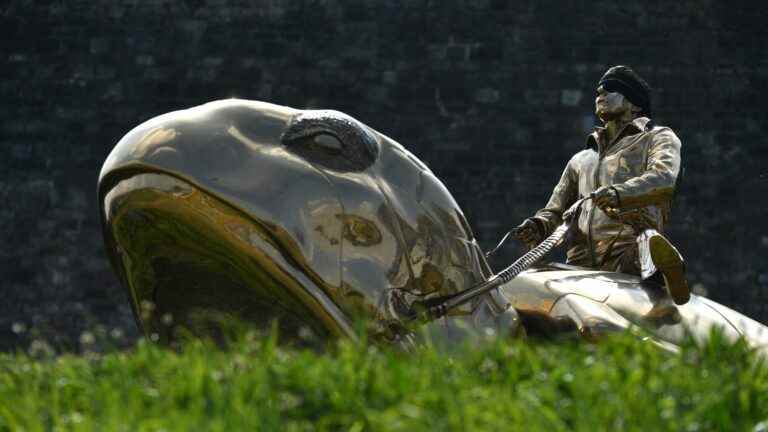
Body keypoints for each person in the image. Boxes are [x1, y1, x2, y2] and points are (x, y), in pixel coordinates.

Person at [513, 65, 690, 309]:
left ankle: (665, 268)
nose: (600, 93)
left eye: (611, 89)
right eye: (598, 91)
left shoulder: (657, 138)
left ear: (635, 105)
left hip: (628, 251)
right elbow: (554, 210)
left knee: (647, 243)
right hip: (579, 261)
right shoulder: (580, 159)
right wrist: (539, 225)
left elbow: (663, 179)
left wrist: (619, 193)